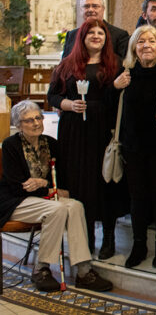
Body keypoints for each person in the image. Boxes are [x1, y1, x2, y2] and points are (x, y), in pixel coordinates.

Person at [0, 100, 114, 293]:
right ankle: (41, 269)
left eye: (38, 118)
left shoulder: (51, 144)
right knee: (58, 208)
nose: (36, 123)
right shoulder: (11, 145)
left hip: (43, 198)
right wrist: (45, 186)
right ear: (18, 125)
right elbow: (18, 186)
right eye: (28, 120)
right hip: (14, 201)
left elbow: (61, 179)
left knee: (75, 206)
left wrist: (46, 186)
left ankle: (84, 272)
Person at [48, 19, 127, 260]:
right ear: (82, 37)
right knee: (79, 183)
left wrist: (113, 87)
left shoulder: (116, 65)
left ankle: (109, 239)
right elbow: (52, 95)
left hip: (102, 131)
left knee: (104, 184)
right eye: (91, 32)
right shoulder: (67, 65)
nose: (96, 36)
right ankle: (86, 238)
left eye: (100, 33)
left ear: (107, 38)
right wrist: (69, 104)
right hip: (73, 132)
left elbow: (116, 103)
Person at [116, 26, 156, 269]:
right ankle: (139, 246)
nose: (146, 45)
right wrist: (115, 87)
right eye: (141, 42)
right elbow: (113, 108)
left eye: (152, 41)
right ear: (133, 48)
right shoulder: (126, 76)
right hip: (133, 148)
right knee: (137, 198)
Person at [63, 0, 130, 59]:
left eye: (95, 6)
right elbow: (64, 64)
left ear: (103, 9)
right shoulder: (71, 35)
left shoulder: (119, 35)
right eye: (86, 6)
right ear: (80, 10)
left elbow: (121, 65)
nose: (90, 10)